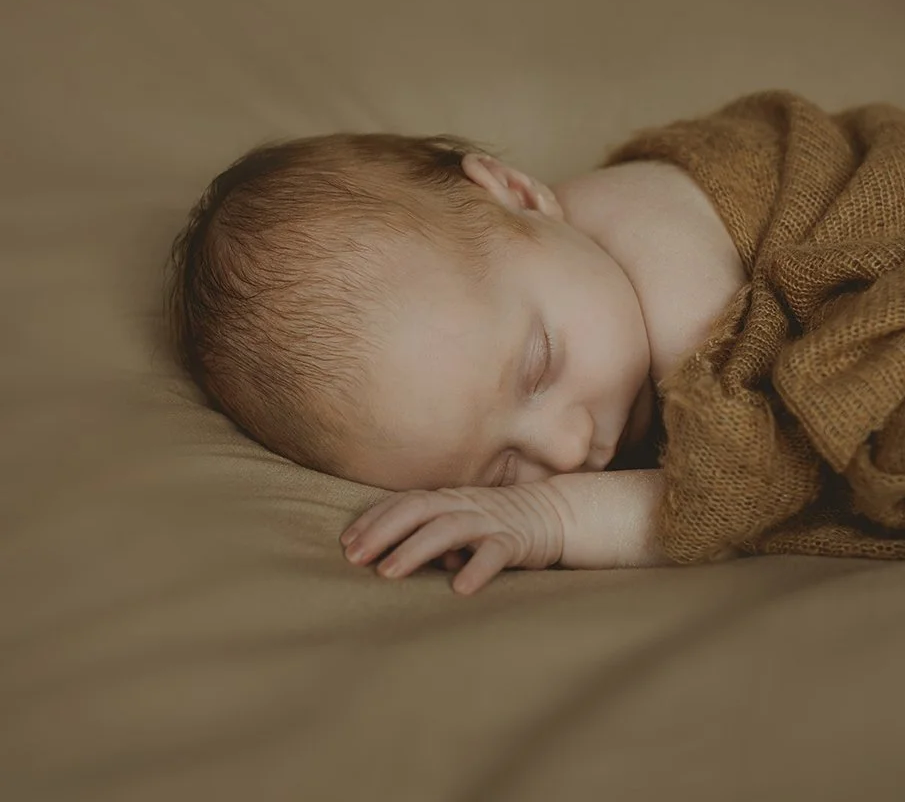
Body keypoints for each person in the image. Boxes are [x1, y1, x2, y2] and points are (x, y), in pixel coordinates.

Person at [167, 132, 746, 594]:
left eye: (540, 367)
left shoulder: (675, 274)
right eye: (502, 475)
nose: (569, 450)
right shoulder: (561, 281)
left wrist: (555, 516)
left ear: (519, 195)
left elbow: (744, 485)